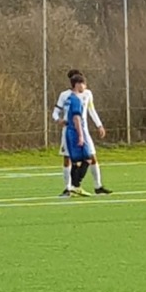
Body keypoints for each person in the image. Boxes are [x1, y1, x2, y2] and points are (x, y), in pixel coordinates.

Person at [52, 69, 112, 197]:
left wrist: (99, 125)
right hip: (69, 131)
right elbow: (55, 112)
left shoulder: (87, 94)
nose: (83, 85)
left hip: (84, 131)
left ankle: (97, 186)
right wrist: (59, 120)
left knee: (92, 156)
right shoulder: (65, 95)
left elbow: (91, 110)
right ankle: (68, 188)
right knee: (67, 158)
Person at [63, 74, 93, 196]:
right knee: (88, 158)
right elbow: (76, 118)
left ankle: (74, 186)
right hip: (75, 131)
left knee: (76, 161)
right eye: (83, 84)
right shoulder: (76, 100)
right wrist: (80, 135)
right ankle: (76, 185)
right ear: (77, 84)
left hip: (69, 131)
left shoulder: (69, 98)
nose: (84, 87)